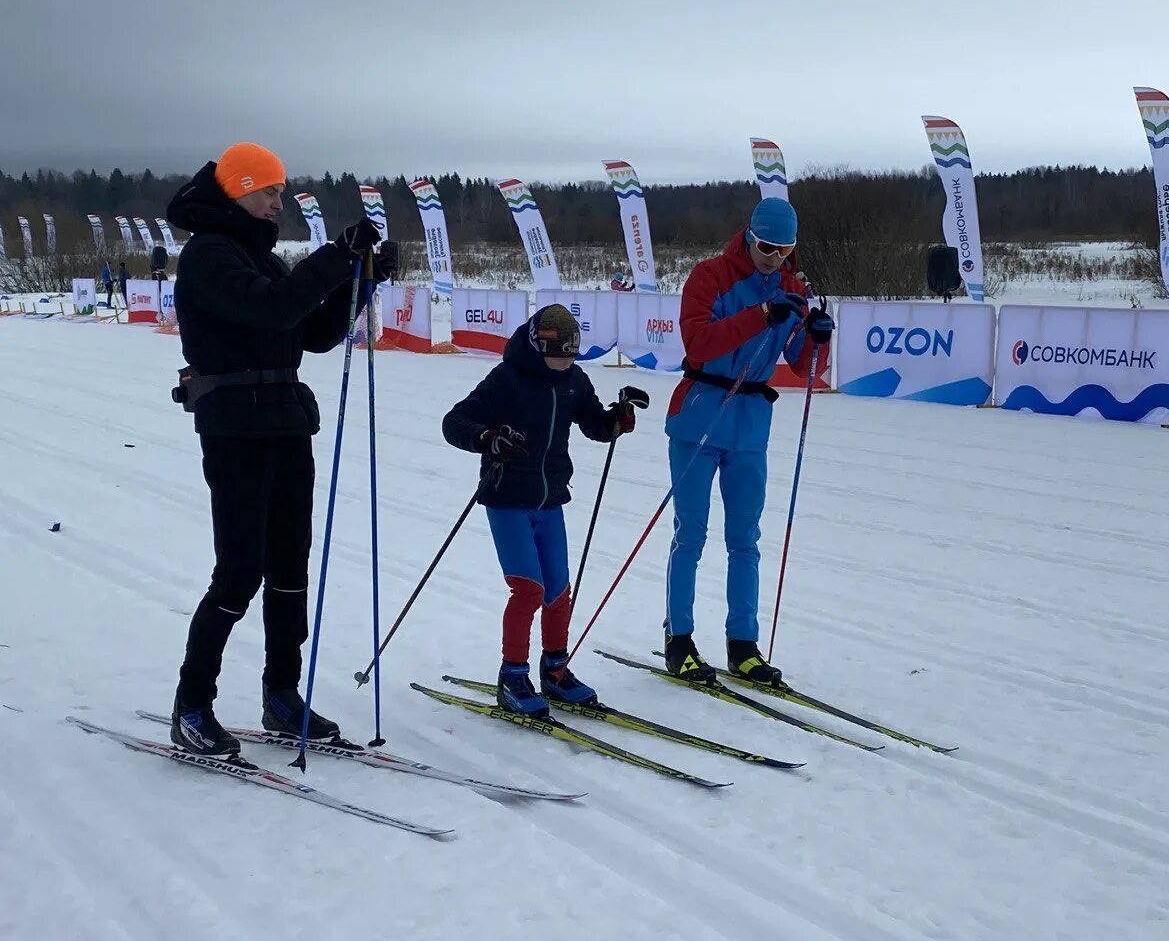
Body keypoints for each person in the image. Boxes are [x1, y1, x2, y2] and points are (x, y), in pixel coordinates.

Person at [166, 142, 394, 758]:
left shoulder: (260, 257)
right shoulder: (208, 256)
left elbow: (311, 333)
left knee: (291, 568)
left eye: (279, 193)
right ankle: (191, 703)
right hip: (236, 429)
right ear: (237, 188)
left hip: (287, 424)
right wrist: (332, 257)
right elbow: (270, 313)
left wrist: (361, 278)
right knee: (240, 569)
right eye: (268, 191)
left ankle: (281, 695)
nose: (277, 203)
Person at [443, 304, 647, 717]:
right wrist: (487, 437)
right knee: (529, 589)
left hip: (550, 499)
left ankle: (555, 668)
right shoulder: (508, 379)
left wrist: (617, 418)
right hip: (507, 499)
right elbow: (455, 421)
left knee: (557, 590)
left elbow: (595, 424)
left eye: (571, 358)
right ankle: (512, 676)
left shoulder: (573, 379)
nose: (563, 366)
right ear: (538, 347)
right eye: (557, 358)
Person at [662, 197, 833, 685]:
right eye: (765, 246)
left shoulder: (793, 287)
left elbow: (805, 366)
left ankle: (743, 645)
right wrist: (761, 313)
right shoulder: (709, 276)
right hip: (699, 418)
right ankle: (679, 640)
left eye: (784, 249)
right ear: (748, 235)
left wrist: (818, 336)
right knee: (690, 534)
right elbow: (700, 344)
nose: (773, 257)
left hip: (750, 427)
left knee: (745, 540)